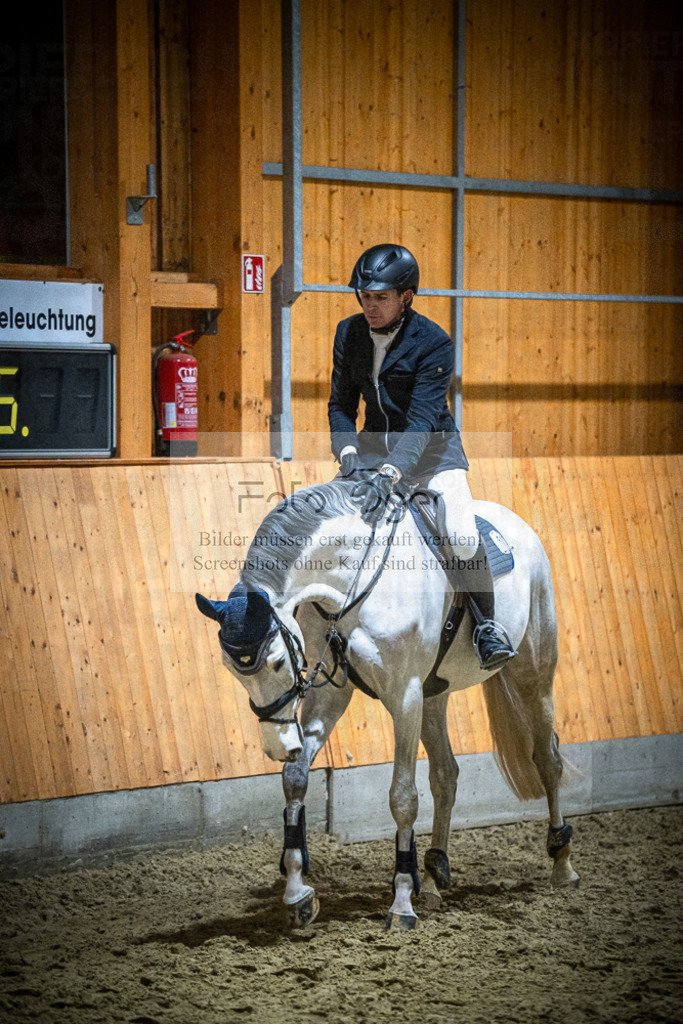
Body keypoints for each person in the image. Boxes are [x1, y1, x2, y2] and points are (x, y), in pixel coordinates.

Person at [327, 242, 516, 671]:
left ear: (406, 297)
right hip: (372, 452)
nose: (369, 307)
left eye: (380, 298)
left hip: (433, 453)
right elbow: (340, 404)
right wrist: (350, 453)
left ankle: (487, 625)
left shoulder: (433, 342)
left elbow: (422, 420)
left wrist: (391, 473)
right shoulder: (349, 332)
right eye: (365, 297)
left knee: (463, 536)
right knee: (330, 519)